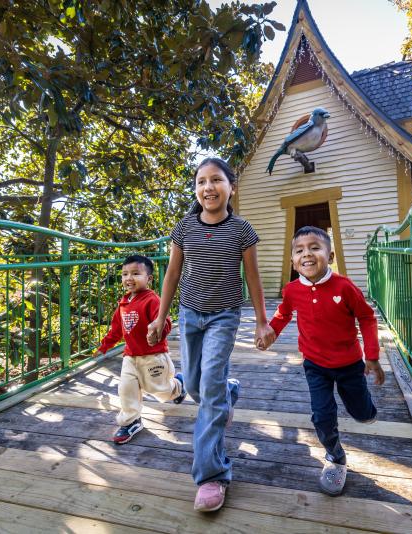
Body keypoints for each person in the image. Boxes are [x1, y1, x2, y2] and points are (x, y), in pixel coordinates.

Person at [147, 157, 275, 512]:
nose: (208, 187)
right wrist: (160, 318)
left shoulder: (242, 231)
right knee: (192, 386)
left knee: (210, 392)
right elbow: (171, 275)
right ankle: (229, 392)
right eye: (201, 181)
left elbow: (253, 278)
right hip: (190, 313)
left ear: (231, 187)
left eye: (216, 179)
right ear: (196, 189)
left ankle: (211, 474)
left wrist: (263, 322)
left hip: (224, 316)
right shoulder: (184, 227)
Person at [260, 226, 385, 496]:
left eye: (315, 247)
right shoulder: (292, 290)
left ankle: (366, 410)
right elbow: (283, 315)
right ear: (293, 260)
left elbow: (366, 317)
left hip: (350, 364)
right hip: (315, 365)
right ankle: (335, 457)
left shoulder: (345, 286)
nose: (307, 254)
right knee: (322, 415)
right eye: (299, 250)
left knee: (362, 413)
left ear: (330, 255)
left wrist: (371, 355)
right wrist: (270, 332)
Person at [96, 255, 186, 444]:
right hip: (130, 357)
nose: (129, 278)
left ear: (149, 278)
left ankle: (178, 386)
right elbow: (117, 329)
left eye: (136, 273)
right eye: (125, 274)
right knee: (126, 388)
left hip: (153, 356)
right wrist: (104, 346)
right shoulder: (124, 303)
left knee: (159, 390)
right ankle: (131, 421)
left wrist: (158, 328)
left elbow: (165, 322)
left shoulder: (152, 300)